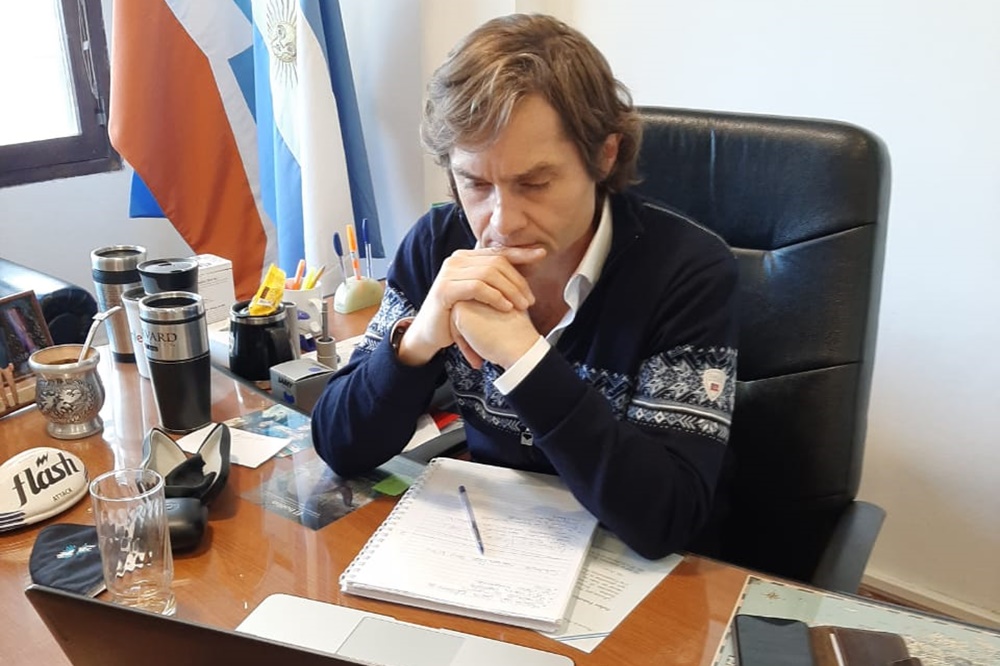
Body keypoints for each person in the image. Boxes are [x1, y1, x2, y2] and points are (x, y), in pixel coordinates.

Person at [312, 13, 738, 560]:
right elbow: (339, 446)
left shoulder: (689, 273)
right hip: (494, 545)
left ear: (604, 155)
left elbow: (667, 518)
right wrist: (416, 343)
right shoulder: (440, 245)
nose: (503, 222)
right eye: (475, 183)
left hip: (638, 570)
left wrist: (524, 359)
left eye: (534, 183)